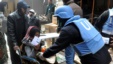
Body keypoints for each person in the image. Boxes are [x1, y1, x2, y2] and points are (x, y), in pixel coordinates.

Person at [38, 5, 111, 64]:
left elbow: (56, 46)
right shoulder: (83, 21)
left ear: (61, 18)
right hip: (105, 55)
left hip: (94, 60)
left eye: (58, 18)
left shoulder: (68, 30)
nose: (57, 21)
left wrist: (44, 55)